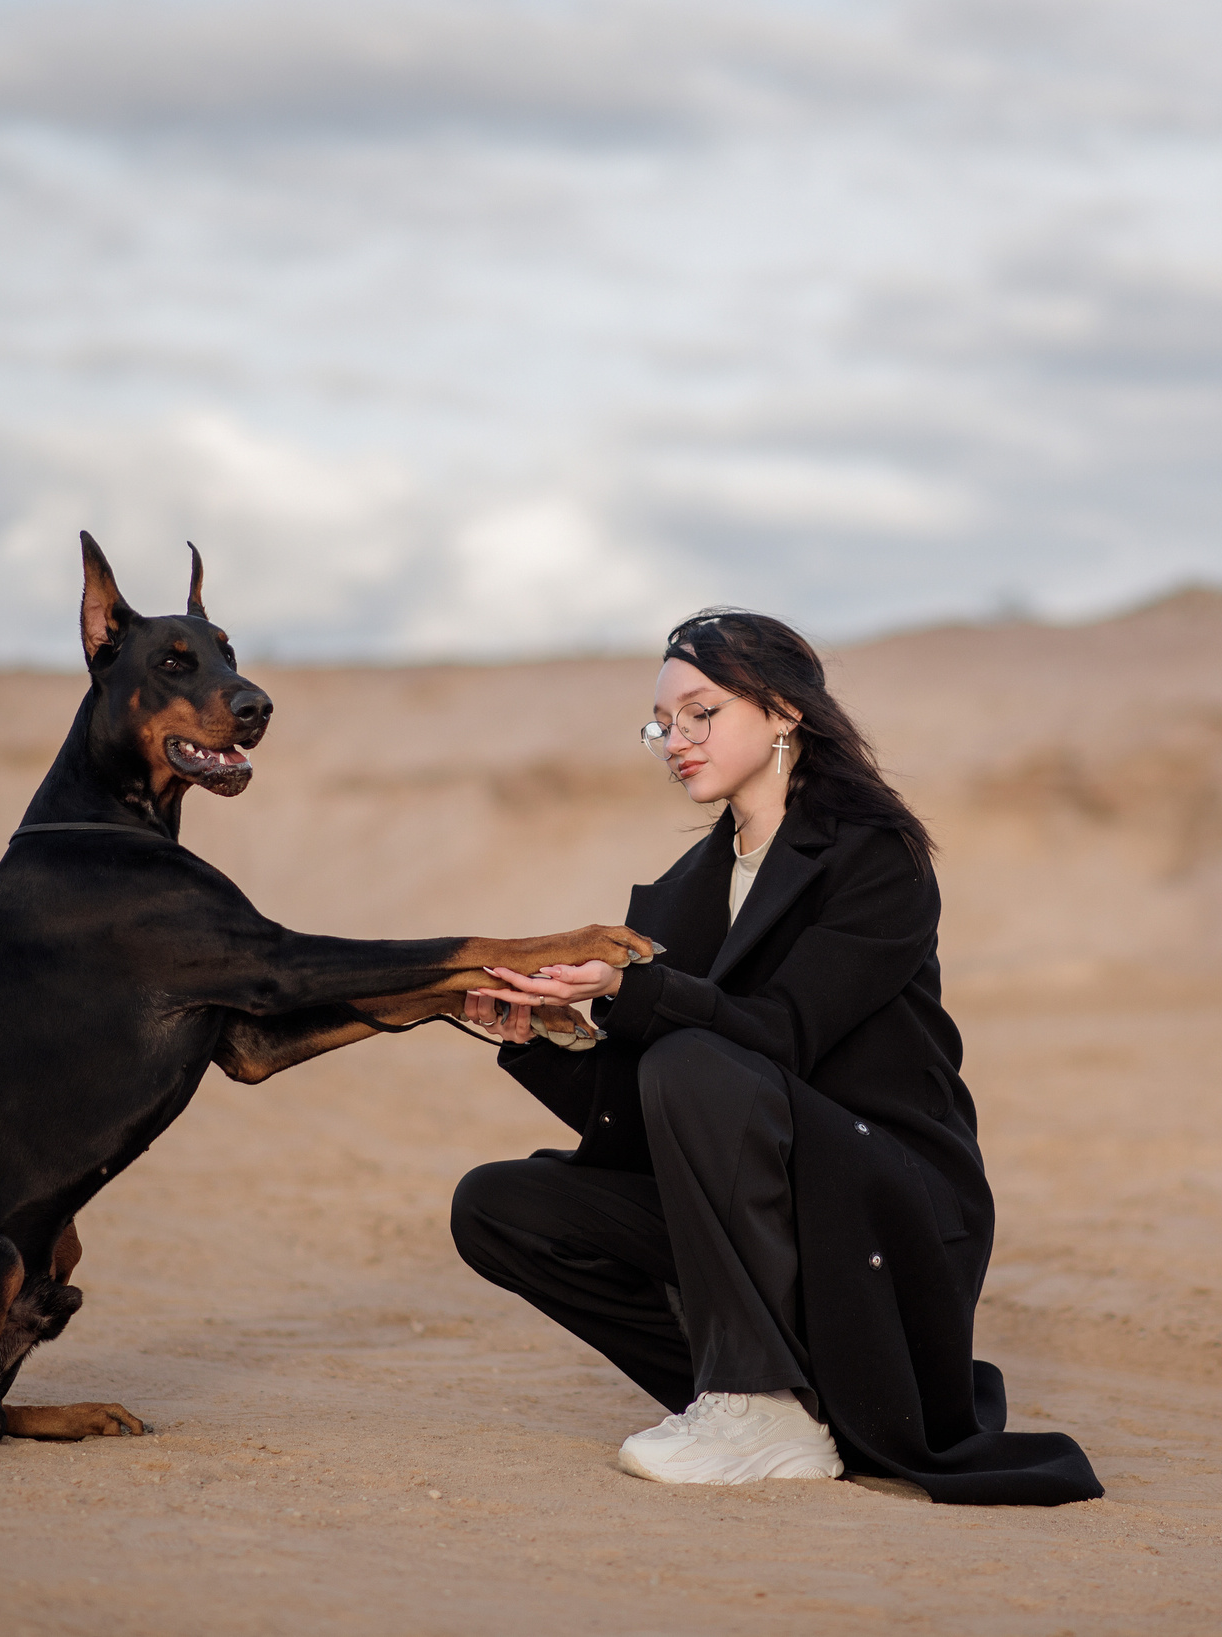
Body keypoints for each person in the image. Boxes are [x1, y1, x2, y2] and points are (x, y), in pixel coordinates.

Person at [450, 609, 1101, 1505]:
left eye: (700, 712)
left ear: (785, 711)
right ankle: (784, 1407)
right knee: (498, 1204)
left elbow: (782, 1034)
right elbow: (657, 1122)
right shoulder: (682, 894)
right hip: (768, 1193)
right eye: (660, 723)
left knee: (693, 1060)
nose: (674, 740)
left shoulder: (875, 856)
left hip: (884, 1198)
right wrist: (548, 1032)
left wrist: (625, 988)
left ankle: (752, 1397)